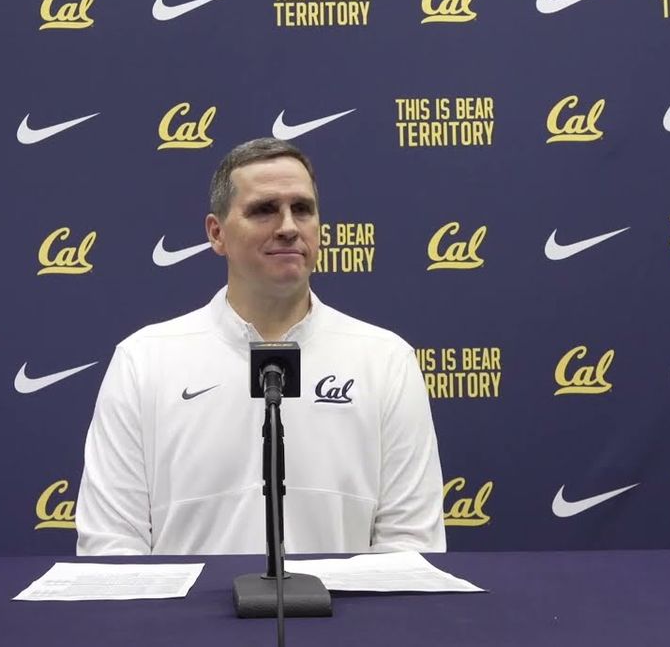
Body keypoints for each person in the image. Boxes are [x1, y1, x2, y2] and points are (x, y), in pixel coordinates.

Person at [76, 138, 445, 555]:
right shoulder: (144, 360)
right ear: (217, 234)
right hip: (187, 604)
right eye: (264, 209)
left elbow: (410, 544)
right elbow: (111, 545)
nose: (288, 226)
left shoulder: (385, 359)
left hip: (342, 602)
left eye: (302, 209)